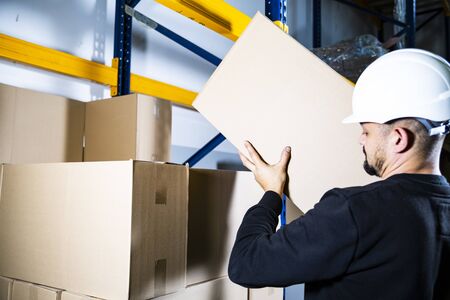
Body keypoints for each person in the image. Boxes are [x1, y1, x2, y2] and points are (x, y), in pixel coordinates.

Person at [228, 49, 450, 299]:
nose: (360, 139)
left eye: (366, 131)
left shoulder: (356, 211)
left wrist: (271, 193)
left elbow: (246, 264)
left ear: (398, 139)